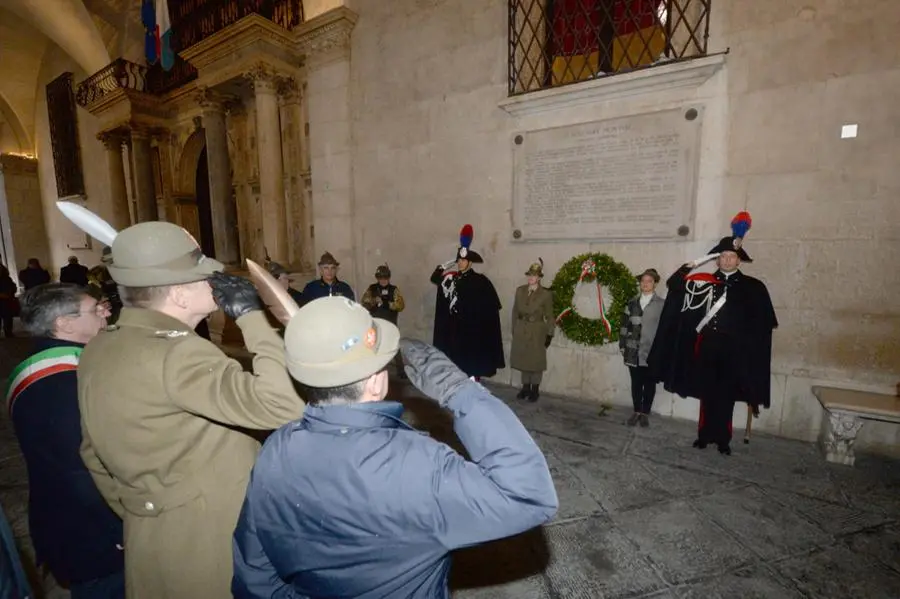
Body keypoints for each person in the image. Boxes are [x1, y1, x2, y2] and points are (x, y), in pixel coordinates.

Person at [232, 296, 558, 598]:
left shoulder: (275, 450)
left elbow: (255, 572)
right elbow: (527, 493)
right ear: (376, 381)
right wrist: (459, 390)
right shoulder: (418, 464)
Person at [62, 214, 307, 598]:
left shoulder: (102, 346)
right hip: (211, 546)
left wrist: (148, 508)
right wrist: (252, 317)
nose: (214, 282)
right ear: (178, 294)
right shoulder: (178, 352)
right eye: (203, 276)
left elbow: (93, 452)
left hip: (152, 539)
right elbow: (284, 405)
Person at [7, 283, 124, 598]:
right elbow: (79, 467)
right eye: (95, 310)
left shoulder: (47, 363)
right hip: (92, 535)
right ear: (64, 324)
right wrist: (120, 527)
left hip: (77, 524)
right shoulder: (59, 383)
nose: (106, 314)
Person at [648, 212, 777, 455]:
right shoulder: (703, 281)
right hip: (706, 347)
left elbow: (763, 325)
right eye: (723, 256)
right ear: (717, 260)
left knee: (726, 395)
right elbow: (674, 284)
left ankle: (723, 439)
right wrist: (697, 262)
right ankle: (704, 435)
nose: (728, 260)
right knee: (707, 393)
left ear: (739, 261)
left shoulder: (753, 288)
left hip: (733, 351)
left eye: (732, 257)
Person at [429, 224, 504, 380]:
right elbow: (435, 279)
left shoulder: (480, 281)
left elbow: (490, 308)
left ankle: (473, 379)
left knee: (470, 362)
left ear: (470, 262)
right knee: (455, 361)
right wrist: (444, 266)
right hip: (454, 328)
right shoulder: (451, 278)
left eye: (463, 260)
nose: (460, 263)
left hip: (471, 329)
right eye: (459, 260)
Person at [619, 268, 665, 427]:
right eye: (643, 281)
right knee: (636, 383)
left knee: (650, 383)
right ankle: (637, 411)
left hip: (652, 352)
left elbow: (664, 329)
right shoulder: (632, 303)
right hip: (633, 350)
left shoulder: (661, 305)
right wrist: (623, 346)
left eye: (649, 281)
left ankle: (645, 413)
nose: (645, 284)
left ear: (655, 283)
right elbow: (624, 326)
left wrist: (662, 350)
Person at [510, 258, 554, 402]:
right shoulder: (520, 290)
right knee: (523, 358)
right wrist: (514, 328)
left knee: (535, 361)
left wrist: (549, 334)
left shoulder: (545, 294)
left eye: (534, 275)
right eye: (529, 275)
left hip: (537, 330)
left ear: (539, 278)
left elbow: (550, 315)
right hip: (522, 328)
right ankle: (525, 387)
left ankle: (535, 389)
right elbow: (515, 310)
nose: (531, 278)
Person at [361, 263, 406, 378]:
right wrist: (373, 302)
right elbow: (364, 303)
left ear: (389, 277)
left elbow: (400, 305)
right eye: (381, 278)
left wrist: (387, 303)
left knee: (395, 347)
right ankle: (372, 370)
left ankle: (401, 370)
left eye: (385, 277)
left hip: (390, 323)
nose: (383, 280)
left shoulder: (394, 290)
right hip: (376, 323)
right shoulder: (372, 289)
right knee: (373, 347)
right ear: (377, 278)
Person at [0, 259, 16, 337]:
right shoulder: (6, 279)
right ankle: (8, 332)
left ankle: (8, 332)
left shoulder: (6, 279)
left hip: (6, 301)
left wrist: (9, 294)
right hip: (5, 300)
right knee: (7, 317)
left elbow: (12, 288)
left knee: (7, 317)